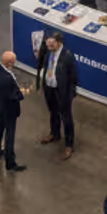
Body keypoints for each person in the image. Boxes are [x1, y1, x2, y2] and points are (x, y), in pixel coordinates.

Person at [35, 30, 78, 160]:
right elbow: (42, 64)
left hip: (62, 92)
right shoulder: (48, 51)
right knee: (53, 112)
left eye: (52, 45)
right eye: (48, 44)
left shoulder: (68, 56)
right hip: (49, 88)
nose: (49, 47)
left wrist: (69, 95)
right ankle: (54, 134)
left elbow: (73, 78)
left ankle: (69, 145)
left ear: (59, 43)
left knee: (66, 118)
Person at [0, 52, 27, 172]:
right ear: (9, 63)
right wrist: (23, 92)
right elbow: (15, 95)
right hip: (9, 110)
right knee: (9, 135)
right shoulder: (8, 80)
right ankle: (10, 162)